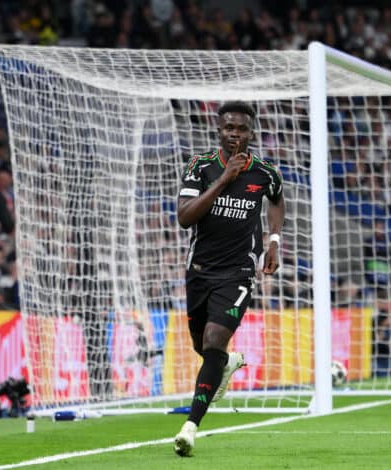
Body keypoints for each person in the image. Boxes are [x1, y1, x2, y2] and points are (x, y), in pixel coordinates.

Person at [173, 101, 284, 457]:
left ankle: (190, 427)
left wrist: (274, 241)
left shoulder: (265, 172)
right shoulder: (201, 167)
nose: (235, 134)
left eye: (241, 129)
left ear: (251, 133)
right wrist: (224, 180)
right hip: (201, 271)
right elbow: (185, 217)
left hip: (238, 272)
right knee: (206, 350)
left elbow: (277, 200)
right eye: (228, 128)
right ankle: (227, 362)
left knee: (215, 337)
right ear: (219, 130)